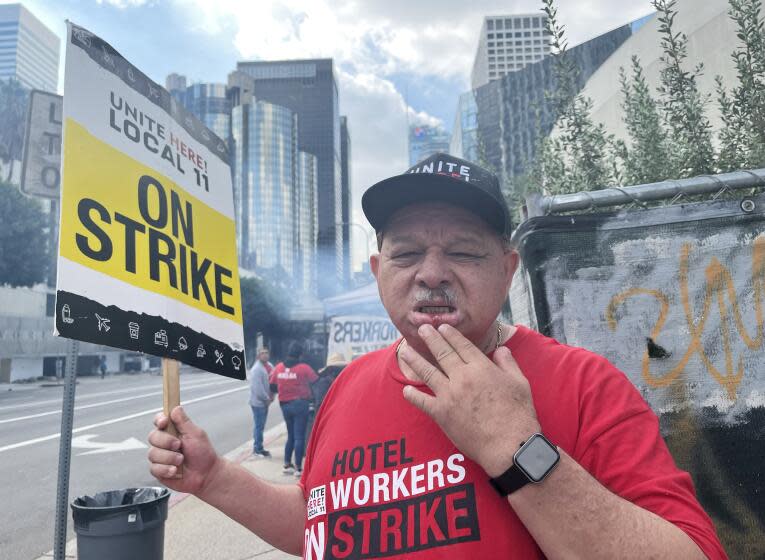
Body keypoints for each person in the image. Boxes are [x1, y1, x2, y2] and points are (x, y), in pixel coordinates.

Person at [148, 153, 726, 559]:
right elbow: (323, 524)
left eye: (463, 251)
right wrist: (215, 478)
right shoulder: (346, 387)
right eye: (406, 253)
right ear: (379, 274)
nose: (430, 273)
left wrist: (517, 450)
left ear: (506, 269)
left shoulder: (584, 384)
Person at [268, 343, 317, 477]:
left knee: (291, 435)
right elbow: (316, 382)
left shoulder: (278, 368)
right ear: (300, 354)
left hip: (285, 405)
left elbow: (272, 387)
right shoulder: (304, 368)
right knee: (299, 436)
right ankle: (298, 468)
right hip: (301, 404)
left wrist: (286, 389)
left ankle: (287, 464)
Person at [306, 353, 347, 437]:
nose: (337, 373)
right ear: (329, 371)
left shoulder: (346, 382)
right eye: (335, 370)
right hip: (328, 427)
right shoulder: (323, 385)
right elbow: (320, 409)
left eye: (340, 369)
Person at [248, 347, 273, 458]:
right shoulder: (256, 369)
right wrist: (267, 399)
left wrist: (272, 396)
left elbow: (273, 381)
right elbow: (257, 388)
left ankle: (260, 447)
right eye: (262, 353)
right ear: (258, 356)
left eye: (266, 353)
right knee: (259, 426)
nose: (265, 355)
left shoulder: (270, 366)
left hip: (265, 402)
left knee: (261, 426)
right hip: (258, 403)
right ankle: (257, 449)